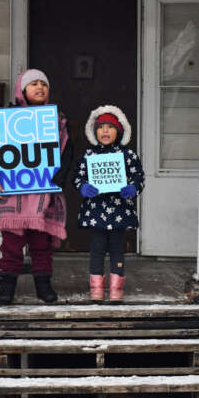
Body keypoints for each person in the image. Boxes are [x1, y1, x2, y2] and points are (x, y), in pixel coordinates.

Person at [0, 69, 73, 305]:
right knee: (11, 245)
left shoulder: (57, 120)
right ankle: (7, 289)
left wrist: (58, 180)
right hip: (14, 196)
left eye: (43, 84)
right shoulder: (8, 120)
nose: (39, 88)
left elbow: (66, 153)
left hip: (44, 194)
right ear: (22, 90)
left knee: (41, 245)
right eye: (33, 84)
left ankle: (43, 287)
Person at [73, 105, 144, 301]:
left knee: (117, 250)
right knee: (96, 249)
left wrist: (133, 188)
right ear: (94, 131)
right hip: (96, 211)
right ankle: (96, 290)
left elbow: (139, 177)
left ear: (120, 131)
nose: (105, 131)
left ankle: (116, 290)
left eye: (110, 127)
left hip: (119, 210)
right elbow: (77, 177)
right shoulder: (89, 155)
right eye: (101, 127)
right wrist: (83, 187)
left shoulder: (128, 155)